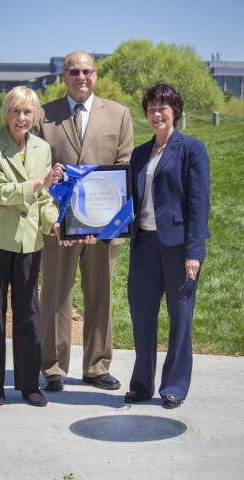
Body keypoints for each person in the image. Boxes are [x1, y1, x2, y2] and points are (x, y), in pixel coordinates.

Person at [32, 51, 134, 391]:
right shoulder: (44, 115)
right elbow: (34, 170)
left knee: (100, 296)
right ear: (63, 75)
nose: (81, 77)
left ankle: (96, 366)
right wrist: (52, 213)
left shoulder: (119, 115)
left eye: (86, 71)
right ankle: (54, 368)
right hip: (58, 226)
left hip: (102, 229)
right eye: (73, 71)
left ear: (95, 73)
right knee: (56, 297)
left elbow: (124, 169)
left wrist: (106, 225)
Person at [0, 86, 65, 407]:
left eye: (28, 112)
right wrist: (41, 182)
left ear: (35, 116)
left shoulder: (42, 148)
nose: (21, 117)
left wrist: (56, 222)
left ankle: (28, 385)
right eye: (15, 111)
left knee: (29, 314)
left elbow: (42, 199)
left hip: (29, 240)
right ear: (5, 114)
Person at [125, 82, 211, 409]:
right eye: (151, 109)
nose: (156, 114)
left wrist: (193, 252)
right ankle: (142, 385)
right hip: (144, 243)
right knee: (142, 315)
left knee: (180, 316)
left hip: (178, 247)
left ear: (175, 111)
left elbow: (199, 205)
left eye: (163, 108)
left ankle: (174, 386)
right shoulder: (139, 153)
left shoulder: (191, 148)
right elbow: (127, 200)